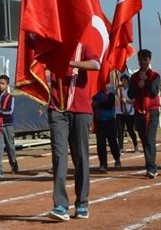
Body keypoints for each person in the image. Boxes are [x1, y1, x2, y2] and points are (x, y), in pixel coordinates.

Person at [45, 43, 99, 222]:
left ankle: (82, 203)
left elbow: (95, 64)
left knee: (81, 157)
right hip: (57, 108)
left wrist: (71, 63)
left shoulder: (83, 45)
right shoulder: (52, 43)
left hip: (81, 108)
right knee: (59, 156)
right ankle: (60, 205)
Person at [128, 49, 161, 179]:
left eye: (145, 59)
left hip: (152, 110)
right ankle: (150, 164)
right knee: (143, 139)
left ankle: (151, 167)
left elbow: (153, 92)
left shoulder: (155, 76)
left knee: (150, 138)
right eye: (141, 59)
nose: (143, 62)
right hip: (139, 111)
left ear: (149, 60)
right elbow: (130, 94)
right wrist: (138, 86)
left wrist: (146, 81)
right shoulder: (134, 77)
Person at [0, 75, 19, 178]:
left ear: (7, 85)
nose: (0, 85)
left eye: (2, 83)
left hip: (8, 125)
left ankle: (14, 165)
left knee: (10, 147)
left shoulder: (10, 98)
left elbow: (9, 111)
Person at [92, 84, 121, 172]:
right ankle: (103, 163)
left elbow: (109, 104)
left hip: (110, 121)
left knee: (112, 142)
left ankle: (117, 158)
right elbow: (93, 105)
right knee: (100, 144)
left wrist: (99, 103)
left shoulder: (110, 93)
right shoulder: (95, 94)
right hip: (100, 122)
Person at [114, 74, 138, 153]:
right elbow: (116, 95)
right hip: (119, 112)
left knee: (130, 130)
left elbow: (134, 100)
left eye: (125, 80)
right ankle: (121, 147)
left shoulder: (131, 89)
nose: (123, 81)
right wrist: (117, 87)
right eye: (122, 80)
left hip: (129, 112)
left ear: (128, 81)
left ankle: (136, 146)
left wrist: (127, 101)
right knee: (120, 130)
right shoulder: (119, 89)